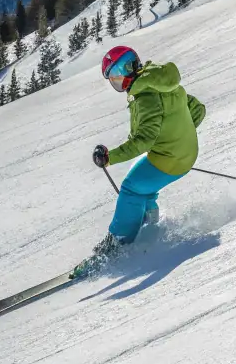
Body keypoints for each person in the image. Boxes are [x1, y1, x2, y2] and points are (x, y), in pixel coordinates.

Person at [76, 45, 206, 275]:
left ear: (131, 66)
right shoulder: (160, 79)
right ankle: (148, 224)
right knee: (142, 184)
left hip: (171, 158)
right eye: (113, 77)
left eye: (118, 73)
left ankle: (118, 245)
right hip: (182, 151)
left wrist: (109, 157)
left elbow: (143, 141)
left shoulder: (145, 95)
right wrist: (178, 136)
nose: (118, 80)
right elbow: (197, 109)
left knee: (131, 189)